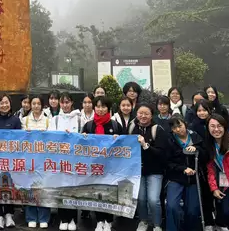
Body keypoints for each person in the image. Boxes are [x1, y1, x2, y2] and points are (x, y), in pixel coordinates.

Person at [82, 96, 123, 231]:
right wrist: (83, 138)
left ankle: (109, 220)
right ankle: (99, 220)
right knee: (97, 193)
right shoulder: (89, 125)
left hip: (111, 167)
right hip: (94, 167)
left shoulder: (115, 125)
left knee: (109, 193)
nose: (100, 109)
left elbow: (125, 147)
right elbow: (79, 146)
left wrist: (119, 140)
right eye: (98, 106)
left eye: (103, 106)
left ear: (108, 108)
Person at [165, 115, 207, 231]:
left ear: (185, 124)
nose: (178, 129)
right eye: (174, 128)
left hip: (194, 178)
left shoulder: (195, 136)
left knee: (193, 210)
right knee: (172, 206)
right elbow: (167, 162)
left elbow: (206, 155)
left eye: (180, 126)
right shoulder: (169, 139)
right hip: (176, 177)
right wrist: (183, 169)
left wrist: (197, 150)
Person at [0, 93, 22, 229]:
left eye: (6, 102)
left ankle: (9, 214)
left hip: (11, 160)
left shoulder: (16, 120)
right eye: (1, 103)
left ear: (10, 104)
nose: (4, 105)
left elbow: (20, 141)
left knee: (9, 186)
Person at [130, 103, 167, 231]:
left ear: (152, 115)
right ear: (136, 114)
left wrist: (146, 146)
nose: (143, 116)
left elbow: (162, 153)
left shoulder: (157, 129)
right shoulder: (132, 128)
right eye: (140, 113)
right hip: (137, 171)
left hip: (155, 171)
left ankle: (157, 225)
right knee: (140, 199)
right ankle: (143, 221)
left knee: (153, 200)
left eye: (146, 113)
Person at [48, 92, 82, 230]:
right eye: (63, 102)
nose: (65, 105)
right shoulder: (55, 120)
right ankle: (63, 218)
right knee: (61, 189)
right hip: (59, 161)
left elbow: (84, 139)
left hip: (74, 161)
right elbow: (50, 139)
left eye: (67, 102)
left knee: (73, 190)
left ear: (72, 103)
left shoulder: (79, 119)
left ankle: (73, 218)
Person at [22, 95, 51, 229]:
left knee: (44, 188)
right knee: (30, 188)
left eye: (38, 104)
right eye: (33, 103)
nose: (36, 106)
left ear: (42, 105)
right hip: (29, 160)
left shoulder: (48, 121)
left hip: (44, 160)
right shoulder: (24, 120)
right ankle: (31, 217)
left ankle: (44, 217)